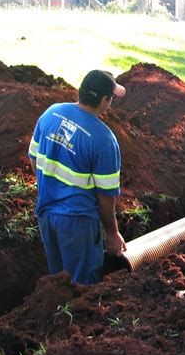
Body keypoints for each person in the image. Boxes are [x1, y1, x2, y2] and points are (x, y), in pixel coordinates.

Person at [28, 70, 127, 285]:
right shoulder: (104, 140)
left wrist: (50, 189)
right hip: (78, 224)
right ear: (104, 100)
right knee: (81, 287)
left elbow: (34, 159)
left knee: (58, 282)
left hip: (46, 213)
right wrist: (112, 234)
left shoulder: (51, 114)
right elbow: (106, 196)